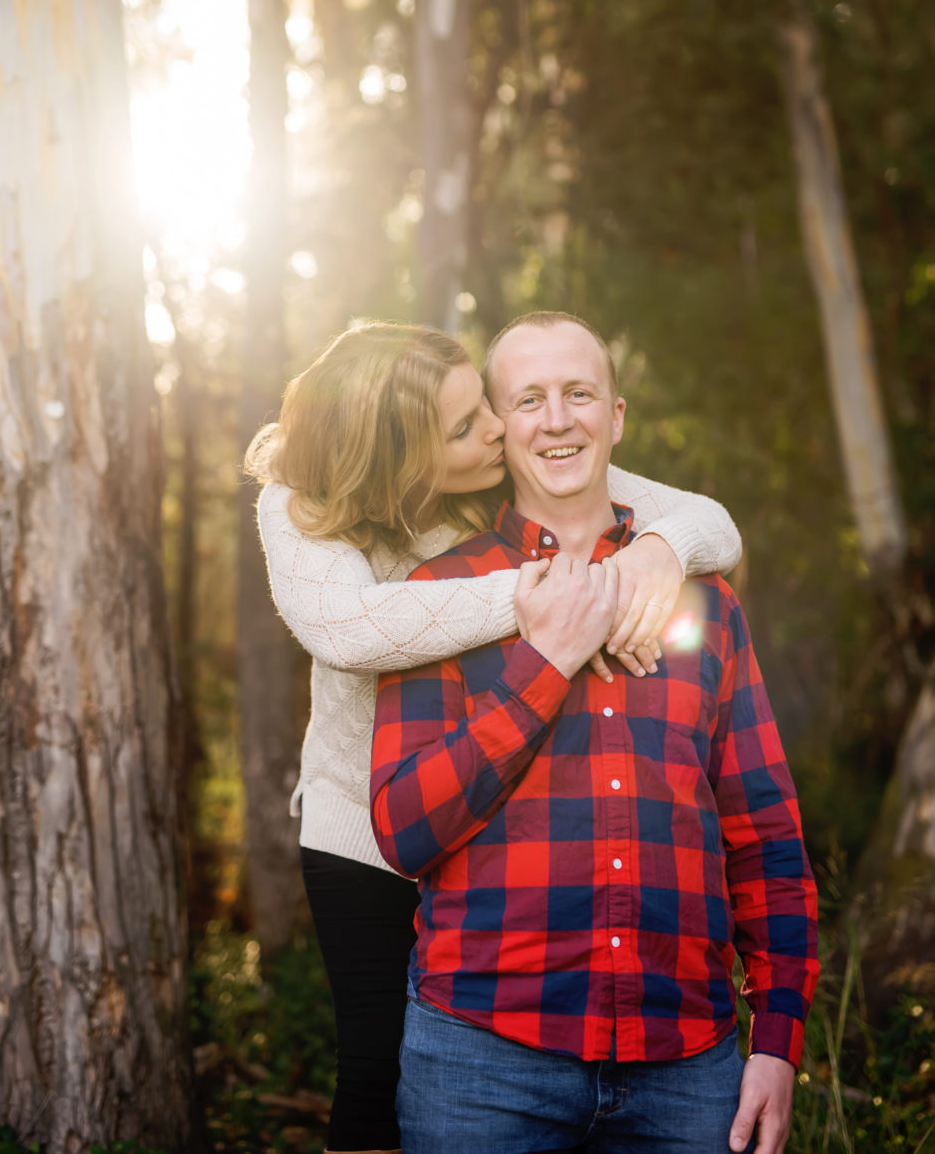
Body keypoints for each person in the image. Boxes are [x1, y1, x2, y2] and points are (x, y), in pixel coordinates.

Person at [248, 320, 743, 1154]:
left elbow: (711, 523)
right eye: (464, 426)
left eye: (483, 403)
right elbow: (350, 629)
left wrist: (656, 550)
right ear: (401, 458)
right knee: (373, 1074)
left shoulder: (493, 475)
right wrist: (562, 597)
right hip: (364, 831)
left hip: (490, 812)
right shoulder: (300, 507)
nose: (495, 429)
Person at [370, 311, 818, 1154]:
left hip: (687, 1068)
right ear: (500, 430)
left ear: (615, 417)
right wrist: (545, 662)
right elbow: (404, 829)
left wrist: (776, 1040)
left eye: (579, 393)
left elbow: (763, 836)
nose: (557, 418)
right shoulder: (438, 596)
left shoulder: (703, 602)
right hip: (481, 1062)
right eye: (529, 398)